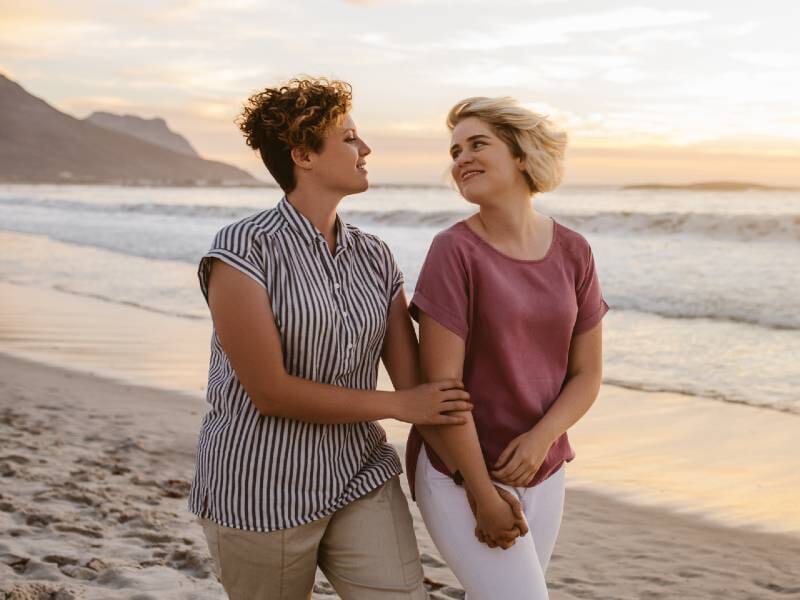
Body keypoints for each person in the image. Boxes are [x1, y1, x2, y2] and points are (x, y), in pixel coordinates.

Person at [189, 77, 476, 600]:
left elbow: (420, 391)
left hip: (358, 473)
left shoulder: (375, 255)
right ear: (304, 155)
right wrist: (398, 405)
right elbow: (270, 391)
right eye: (348, 138)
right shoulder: (242, 249)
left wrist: (476, 487)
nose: (365, 149)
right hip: (259, 484)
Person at [406, 96, 609, 599]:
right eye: (455, 151)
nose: (461, 160)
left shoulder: (574, 250)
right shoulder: (454, 251)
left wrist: (542, 438)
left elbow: (587, 374)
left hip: (545, 469)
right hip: (459, 470)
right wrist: (481, 493)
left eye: (477, 144)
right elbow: (442, 390)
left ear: (521, 155)